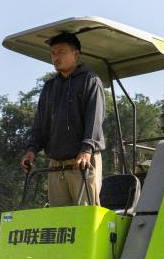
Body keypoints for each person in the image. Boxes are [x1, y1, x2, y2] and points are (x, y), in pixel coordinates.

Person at [20, 31, 105, 206]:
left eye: (61, 52)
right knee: (59, 220)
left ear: (76, 53)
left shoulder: (91, 80)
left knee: (84, 218)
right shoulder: (50, 87)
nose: (56, 58)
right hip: (56, 165)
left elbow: (94, 118)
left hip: (82, 162)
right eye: (53, 54)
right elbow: (40, 124)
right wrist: (31, 150)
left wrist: (87, 149)